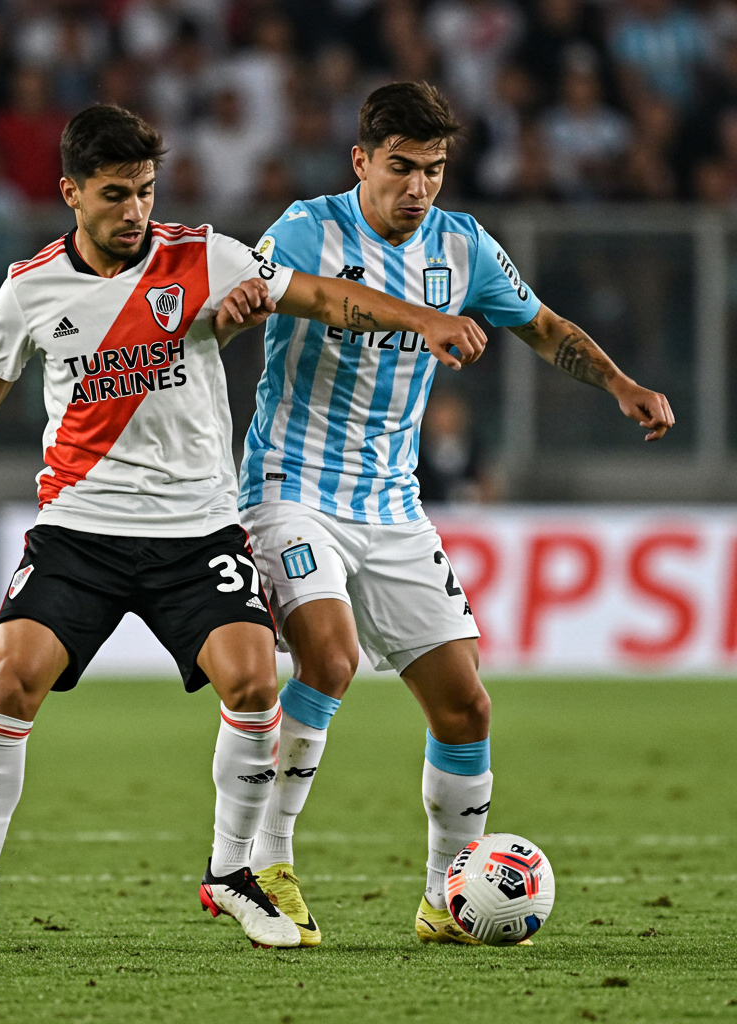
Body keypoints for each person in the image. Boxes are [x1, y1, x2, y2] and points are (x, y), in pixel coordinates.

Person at [0, 103, 487, 952]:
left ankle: (231, 875)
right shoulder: (31, 286)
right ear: (71, 192)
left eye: (146, 191)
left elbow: (326, 297)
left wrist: (428, 320)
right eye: (115, 194)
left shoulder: (206, 258)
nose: (135, 212)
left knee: (256, 682)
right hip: (81, 527)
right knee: (14, 679)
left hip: (198, 530)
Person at [228, 81, 673, 947]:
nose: (419, 187)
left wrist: (619, 383)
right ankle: (266, 860)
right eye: (401, 168)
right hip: (290, 489)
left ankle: (447, 898)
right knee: (329, 653)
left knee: (465, 708)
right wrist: (255, 302)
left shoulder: (464, 245)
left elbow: (542, 326)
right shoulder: (303, 228)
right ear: (361, 161)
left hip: (393, 505)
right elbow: (273, 296)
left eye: (434, 169)